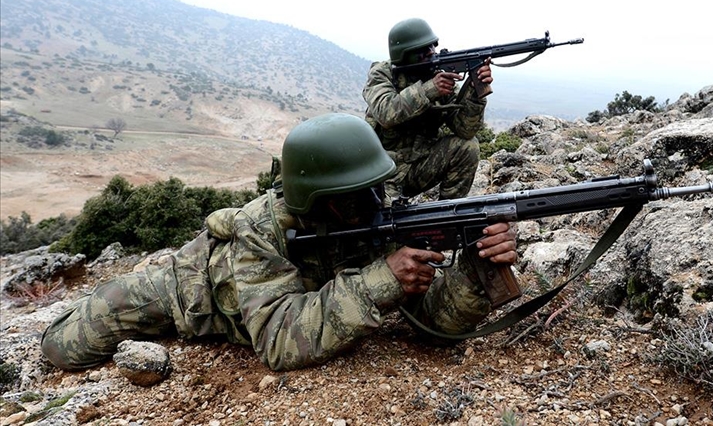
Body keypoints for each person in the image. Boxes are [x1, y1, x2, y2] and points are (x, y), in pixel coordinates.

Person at [41, 113, 517, 372]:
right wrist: (379, 280)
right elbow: (276, 344)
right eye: (359, 195)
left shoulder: (372, 206)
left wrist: (475, 266)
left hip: (281, 296)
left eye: (377, 187)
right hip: (187, 291)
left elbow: (433, 322)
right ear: (322, 200)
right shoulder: (260, 230)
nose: (378, 200)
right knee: (63, 347)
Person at [363, 18, 493, 204]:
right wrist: (430, 89)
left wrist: (474, 90)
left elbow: (466, 130)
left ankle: (448, 212)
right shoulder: (383, 73)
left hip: (419, 166)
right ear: (404, 54)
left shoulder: (437, 75)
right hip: (382, 172)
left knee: (467, 147)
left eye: (432, 47)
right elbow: (385, 113)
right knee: (385, 219)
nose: (430, 53)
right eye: (422, 50)